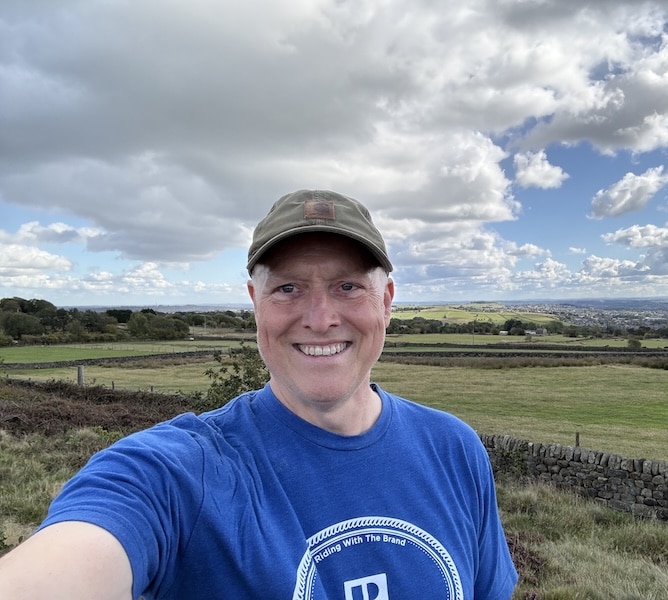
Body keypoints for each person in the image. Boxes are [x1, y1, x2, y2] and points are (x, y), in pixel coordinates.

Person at [0, 189, 518, 599]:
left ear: (386, 301)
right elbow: (80, 551)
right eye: (288, 288)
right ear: (256, 303)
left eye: (348, 286)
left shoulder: (454, 449)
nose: (320, 319)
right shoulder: (178, 472)